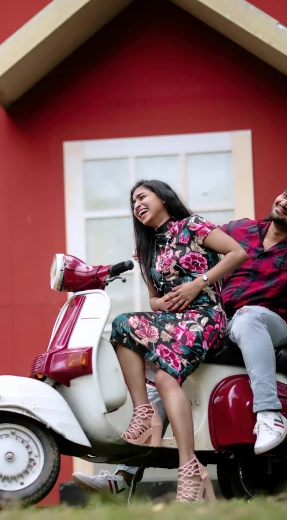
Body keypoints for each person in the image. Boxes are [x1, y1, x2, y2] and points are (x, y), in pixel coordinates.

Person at [72, 179, 287, 503]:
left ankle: (269, 413)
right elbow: (197, 243)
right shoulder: (241, 229)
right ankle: (124, 477)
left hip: (269, 322)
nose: (284, 203)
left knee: (249, 316)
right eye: (286, 195)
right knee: (164, 380)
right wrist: (160, 256)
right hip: (217, 323)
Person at [103, 179, 248, 503]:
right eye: (133, 202)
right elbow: (154, 300)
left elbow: (238, 253)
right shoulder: (148, 248)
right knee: (128, 332)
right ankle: (155, 426)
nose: (137, 204)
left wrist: (198, 284)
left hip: (206, 316)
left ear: (163, 197)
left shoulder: (192, 226)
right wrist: (161, 304)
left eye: (142, 196)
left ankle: (174, 452)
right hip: (175, 320)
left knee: (149, 353)